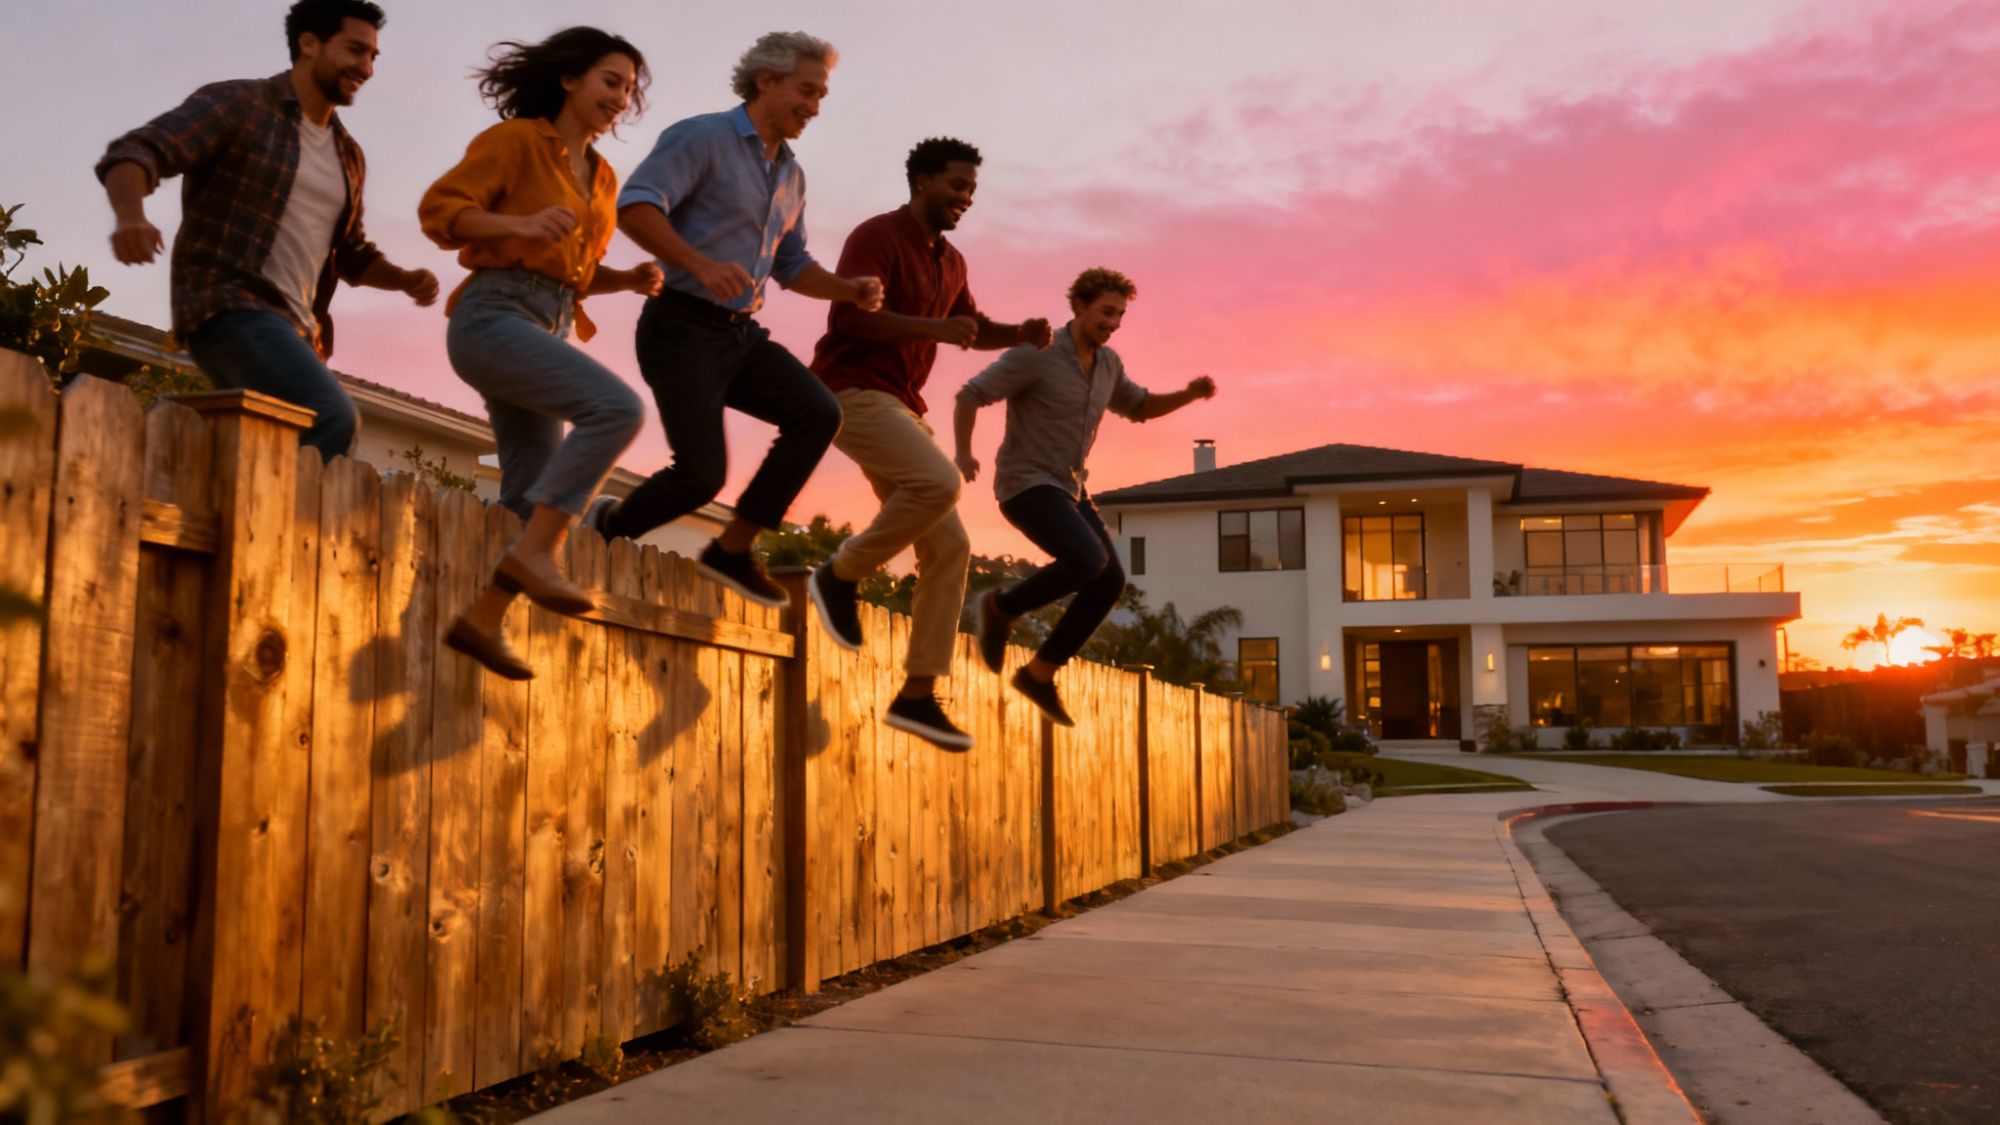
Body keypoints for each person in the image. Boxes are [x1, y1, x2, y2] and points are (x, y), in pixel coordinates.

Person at [588, 31, 883, 610]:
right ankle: (607, 530)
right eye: (806, 90)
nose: (815, 107)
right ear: (767, 80)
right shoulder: (703, 137)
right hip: (680, 325)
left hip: (740, 335)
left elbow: (792, 266)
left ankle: (732, 549)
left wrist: (847, 289)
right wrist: (697, 262)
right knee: (701, 477)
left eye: (821, 96)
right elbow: (636, 206)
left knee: (818, 412)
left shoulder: (790, 175)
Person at [417, 27, 660, 680]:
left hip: (546, 326)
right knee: (616, 408)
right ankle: (537, 557)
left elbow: (573, 273)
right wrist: (516, 223)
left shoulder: (603, 176)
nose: (620, 98)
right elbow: (441, 211)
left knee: (529, 497)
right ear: (569, 79)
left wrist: (625, 279)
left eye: (629, 90)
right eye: (611, 81)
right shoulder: (517, 142)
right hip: (492, 317)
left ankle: (482, 619)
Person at [95, 0, 438, 457]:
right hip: (227, 303)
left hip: (300, 329)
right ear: (309, 43)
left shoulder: (347, 155)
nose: (367, 67)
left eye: (374, 56)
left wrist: (404, 280)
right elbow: (136, 152)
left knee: (274, 446)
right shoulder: (241, 104)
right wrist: (130, 217)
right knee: (329, 415)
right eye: (356, 50)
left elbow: (350, 254)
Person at [804, 137, 1051, 751]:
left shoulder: (952, 261)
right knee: (938, 483)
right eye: (956, 185)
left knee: (951, 546)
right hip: (848, 390)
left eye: (971, 190)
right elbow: (851, 317)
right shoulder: (877, 235)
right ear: (920, 180)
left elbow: (970, 328)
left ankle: (917, 694)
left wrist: (1017, 333)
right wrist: (933, 329)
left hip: (901, 405)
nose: (965, 198)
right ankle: (839, 575)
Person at [954, 268, 1217, 725]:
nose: (1112, 323)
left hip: (1070, 487)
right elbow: (970, 395)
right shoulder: (1035, 354)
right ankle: (1000, 607)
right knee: (1085, 560)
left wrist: (1189, 395)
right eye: (1105, 312)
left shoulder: (1109, 365)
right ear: (1078, 306)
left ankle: (1038, 674)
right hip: (1025, 483)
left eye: (1119, 315)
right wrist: (963, 453)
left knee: (1109, 580)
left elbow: (1139, 407)